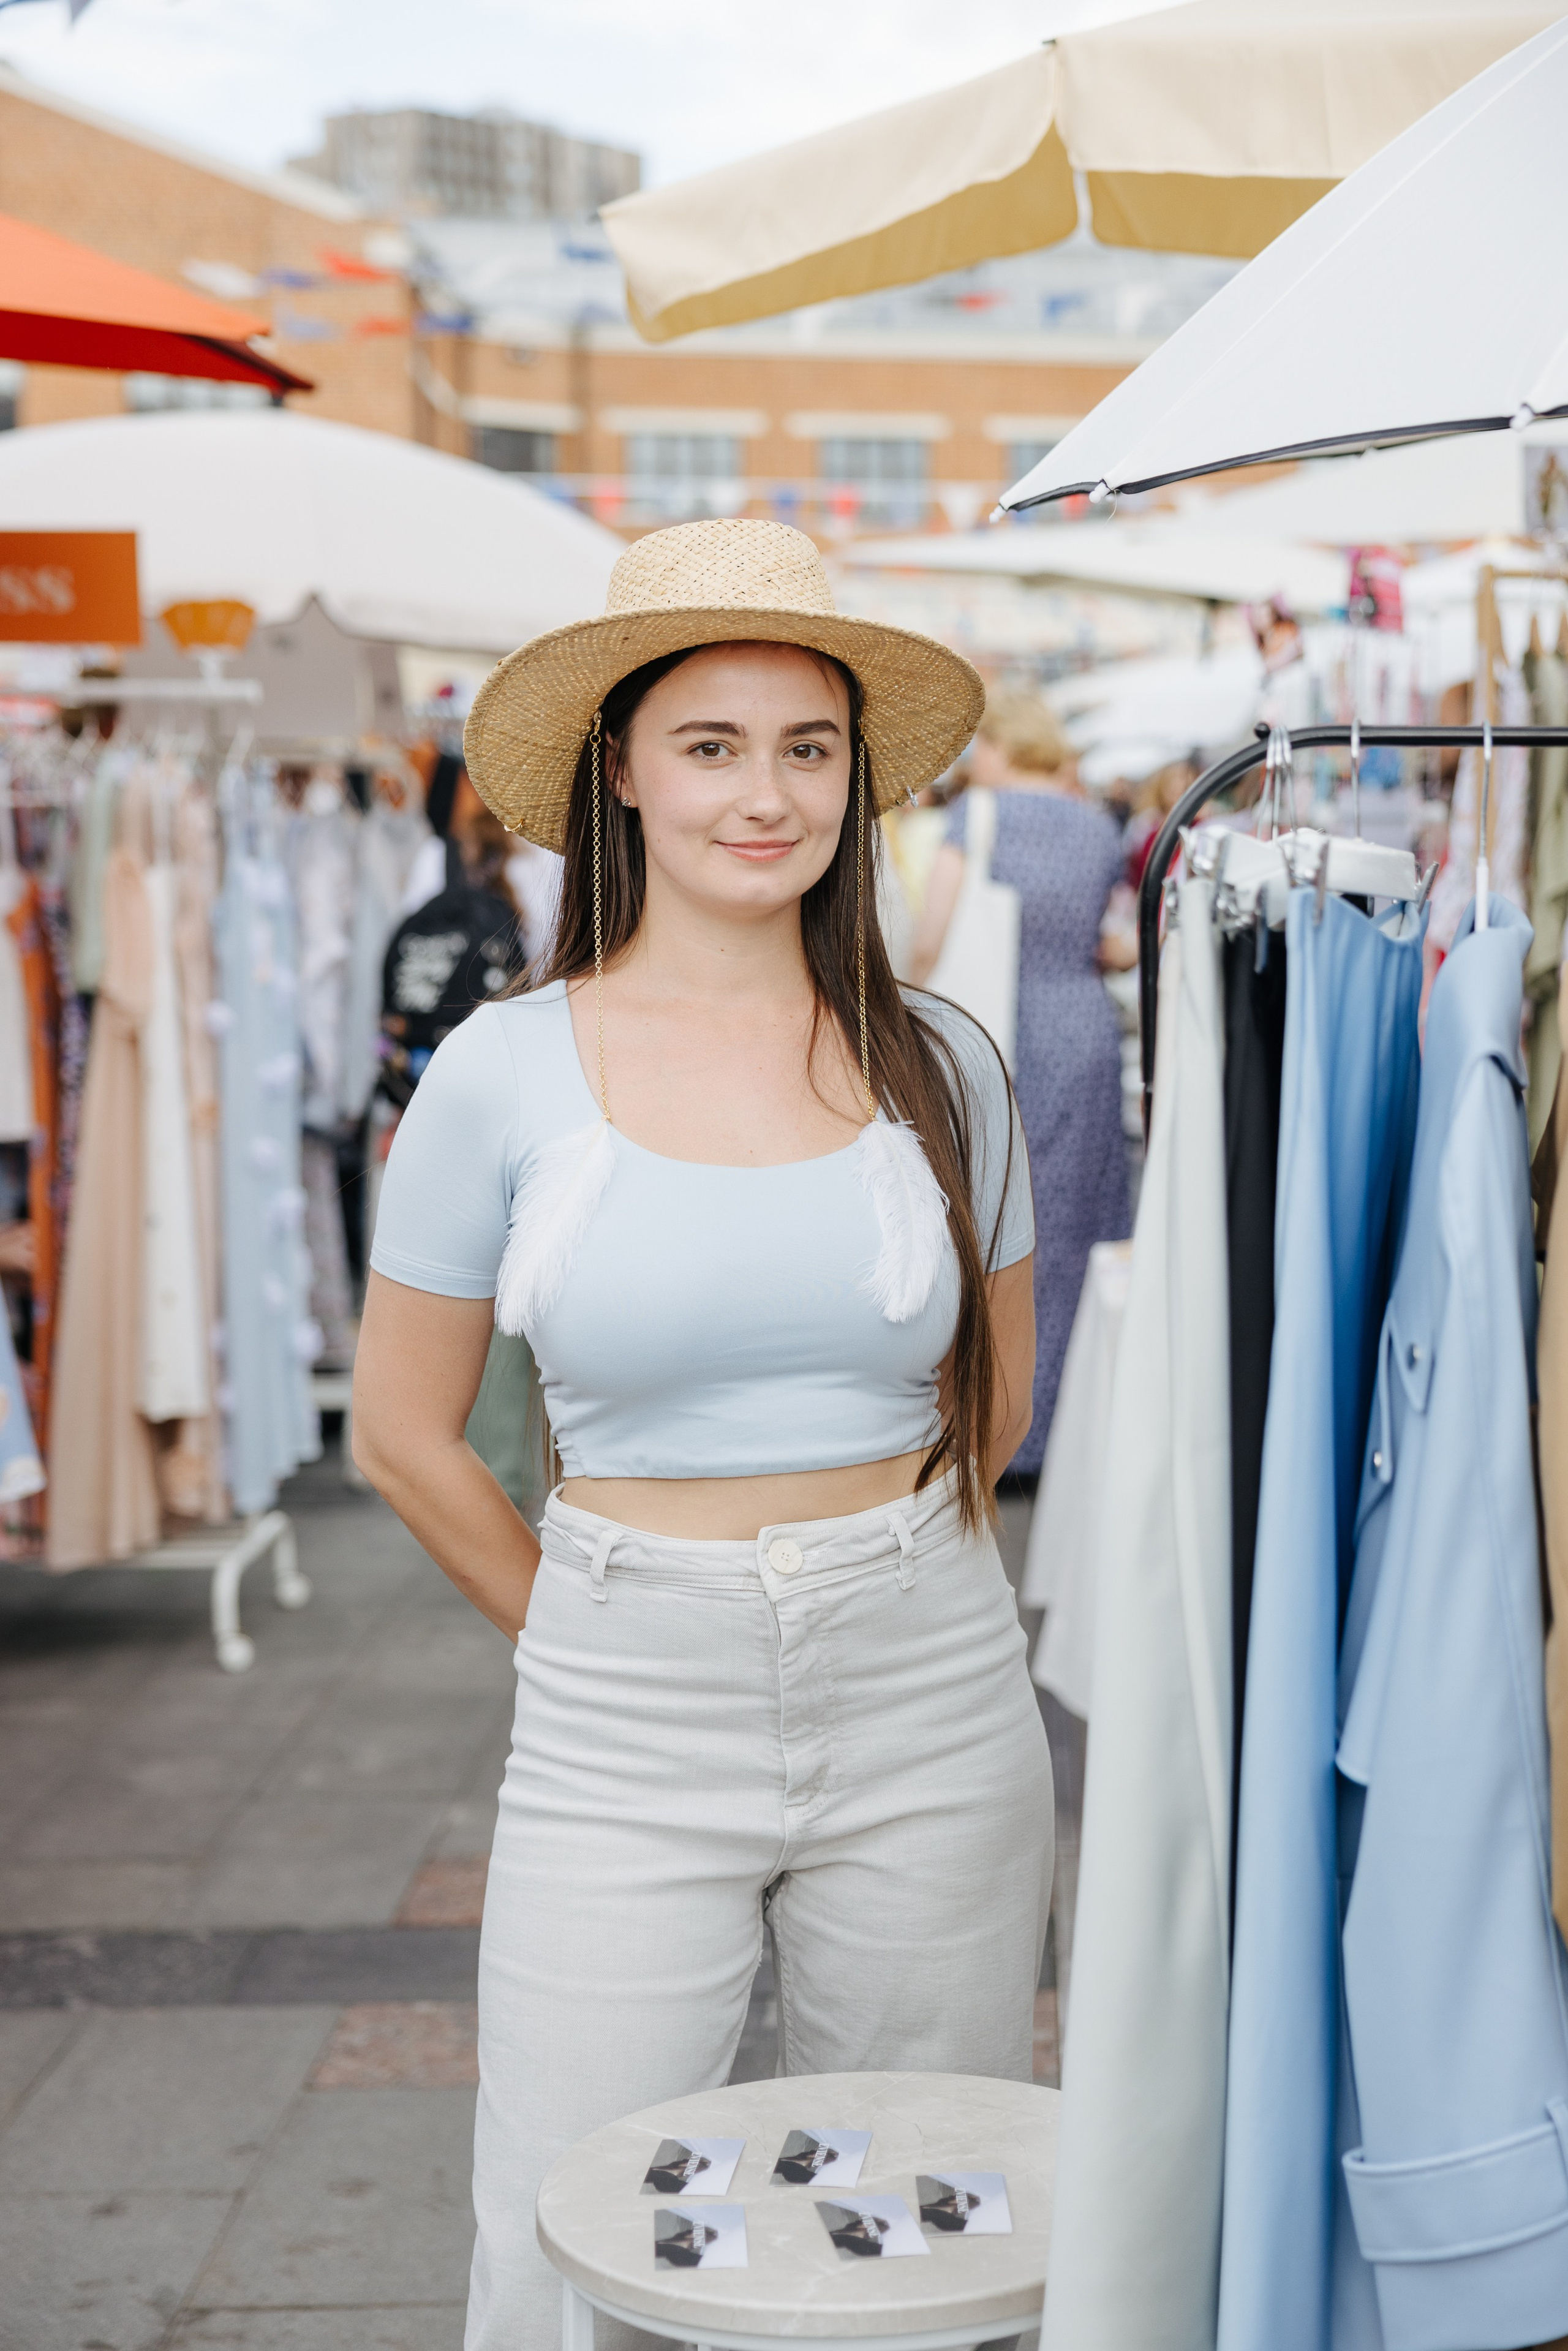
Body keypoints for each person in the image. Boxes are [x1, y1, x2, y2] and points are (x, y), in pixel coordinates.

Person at [352, 519, 1054, 2351]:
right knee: (561, 2223)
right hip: (622, 1705)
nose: (767, 794)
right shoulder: (504, 1066)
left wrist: (865, 1585)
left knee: (921, 2220)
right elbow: (402, 1431)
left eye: (808, 747)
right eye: (713, 744)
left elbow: (998, 1396)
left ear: (854, 777)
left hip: (930, 1685)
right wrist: (600, 1622)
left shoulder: (944, 1062)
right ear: (621, 771)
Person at [911, 689, 1129, 1476]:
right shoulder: (1097, 824)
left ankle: (989, 1422)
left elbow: (931, 935)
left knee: (987, 1223)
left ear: (1002, 747)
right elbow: (1105, 937)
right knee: (1073, 1227)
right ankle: (1062, 1432)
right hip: (1083, 1031)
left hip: (998, 1035)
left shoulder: (978, 816)